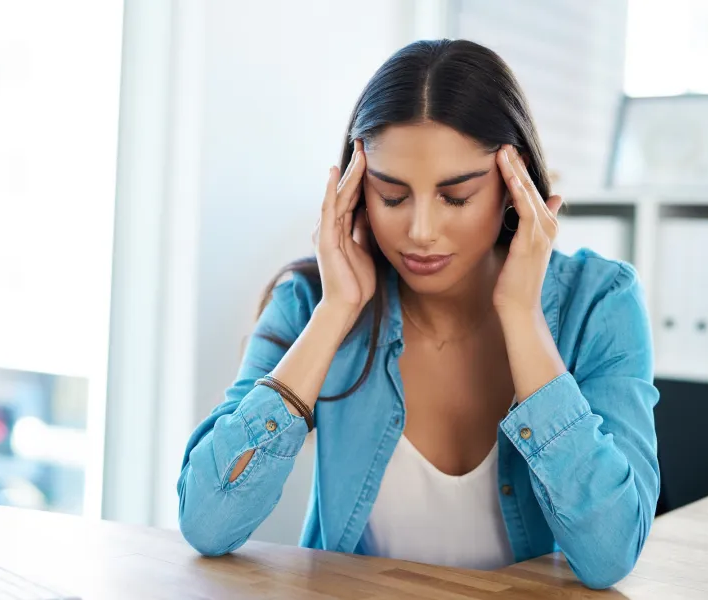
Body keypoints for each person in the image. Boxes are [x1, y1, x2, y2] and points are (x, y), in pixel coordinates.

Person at [176, 39, 659, 590]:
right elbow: (206, 523)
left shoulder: (600, 304)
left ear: (513, 188)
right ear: (355, 192)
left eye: (456, 197)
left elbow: (611, 553)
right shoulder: (311, 302)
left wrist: (522, 315)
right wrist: (336, 312)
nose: (421, 231)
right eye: (391, 195)